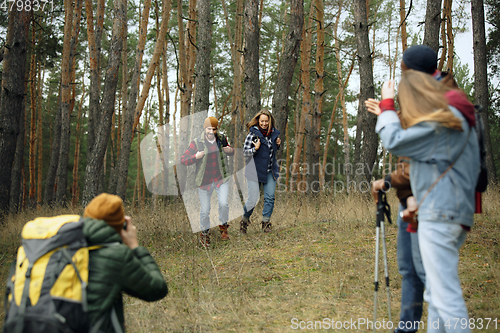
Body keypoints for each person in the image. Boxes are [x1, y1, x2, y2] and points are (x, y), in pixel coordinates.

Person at [368, 44, 477, 333]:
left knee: (445, 297)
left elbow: (394, 140)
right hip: (447, 210)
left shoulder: (445, 117)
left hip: (441, 212)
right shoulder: (455, 111)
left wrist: (388, 106)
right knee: (437, 296)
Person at [83, 193, 168, 332]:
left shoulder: (59, 246)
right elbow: (157, 289)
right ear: (121, 226)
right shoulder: (117, 256)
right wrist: (134, 245)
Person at [180, 116, 235, 246]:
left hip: (220, 179)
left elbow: (229, 150)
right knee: (205, 210)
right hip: (204, 181)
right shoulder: (197, 142)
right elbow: (183, 159)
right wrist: (195, 156)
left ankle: (224, 228)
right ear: (205, 129)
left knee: (223, 204)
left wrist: (230, 151)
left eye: (214, 129)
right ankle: (205, 234)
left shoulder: (221, 139)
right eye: (209, 129)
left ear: (217, 129)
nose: (211, 132)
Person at [240, 109, 281, 233]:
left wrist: (277, 145)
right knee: (253, 199)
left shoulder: (274, 134)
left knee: (270, 197)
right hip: (254, 171)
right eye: (262, 121)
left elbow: (271, 151)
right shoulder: (252, 135)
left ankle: (266, 223)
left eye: (266, 121)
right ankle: (244, 221)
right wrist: (255, 149)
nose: (264, 123)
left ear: (270, 121)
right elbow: (245, 153)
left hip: (270, 170)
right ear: (258, 121)